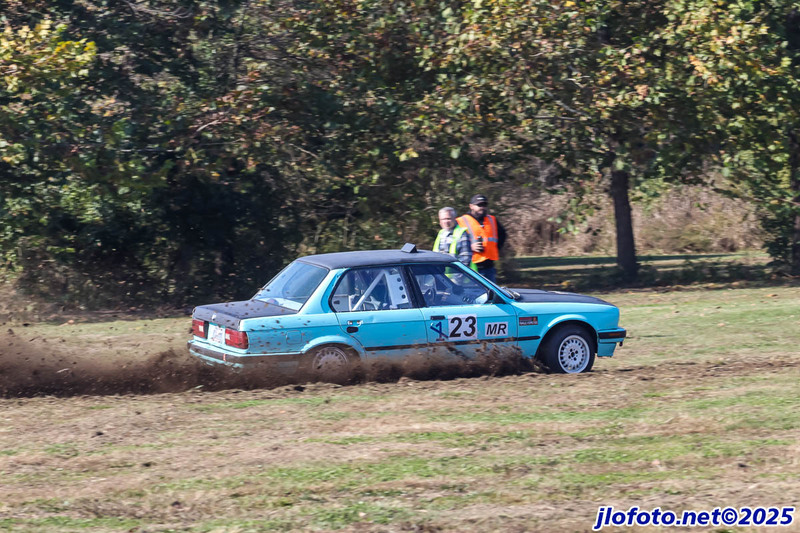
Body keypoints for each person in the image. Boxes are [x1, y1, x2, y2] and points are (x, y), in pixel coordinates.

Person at [457, 194, 506, 282]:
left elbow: (503, 235)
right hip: (470, 267)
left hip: (489, 267)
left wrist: (494, 248)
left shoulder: (492, 219)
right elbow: (455, 242)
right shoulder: (461, 221)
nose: (482, 207)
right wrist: (470, 247)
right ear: (471, 206)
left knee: (491, 295)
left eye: (484, 205)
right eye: (479, 205)